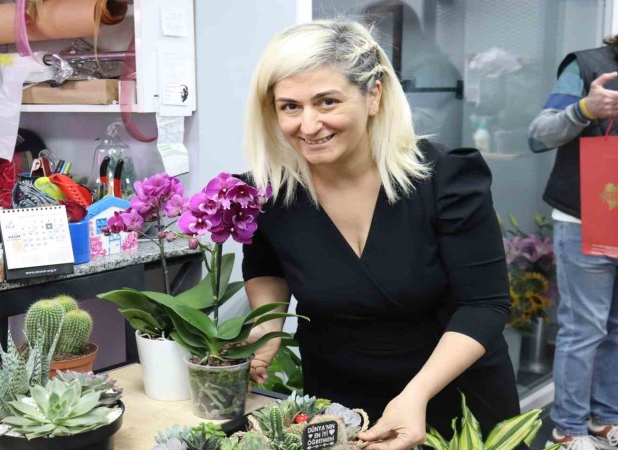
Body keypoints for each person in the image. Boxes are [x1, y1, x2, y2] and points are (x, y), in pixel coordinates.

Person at [241, 20, 520, 450]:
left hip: (452, 397)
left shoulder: (446, 179)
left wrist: (416, 395)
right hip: (340, 402)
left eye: (327, 101)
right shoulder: (270, 193)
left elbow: (484, 304)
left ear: (373, 95)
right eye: (290, 106)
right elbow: (267, 267)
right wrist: (269, 327)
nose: (308, 126)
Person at [528, 38, 618, 450]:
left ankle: (605, 418)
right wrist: (585, 109)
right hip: (585, 219)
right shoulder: (587, 66)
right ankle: (567, 427)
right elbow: (538, 134)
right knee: (585, 327)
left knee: (615, 328)